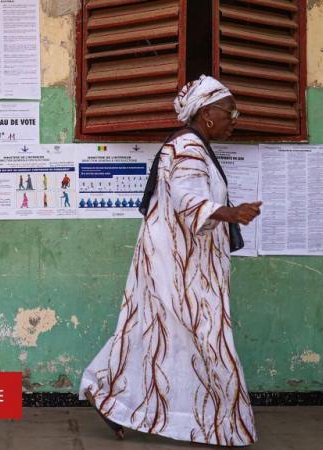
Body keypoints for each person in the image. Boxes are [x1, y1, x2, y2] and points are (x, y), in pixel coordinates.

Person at [79, 75, 262, 446]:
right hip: (178, 267)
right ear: (208, 114)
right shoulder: (188, 149)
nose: (235, 119)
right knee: (206, 339)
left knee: (149, 334)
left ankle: (107, 393)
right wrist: (229, 213)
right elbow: (187, 197)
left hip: (182, 261)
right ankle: (222, 426)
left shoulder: (193, 146)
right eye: (231, 112)